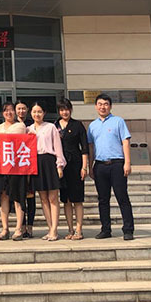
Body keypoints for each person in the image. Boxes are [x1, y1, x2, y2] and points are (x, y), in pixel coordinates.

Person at [88, 93, 135, 241]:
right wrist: (90, 166)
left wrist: (127, 162)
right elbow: (91, 147)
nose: (103, 107)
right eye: (100, 104)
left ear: (110, 106)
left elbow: (125, 142)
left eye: (106, 104)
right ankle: (105, 229)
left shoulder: (118, 121)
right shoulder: (92, 126)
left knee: (122, 197)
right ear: (96, 106)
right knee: (103, 199)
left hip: (117, 164)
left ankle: (128, 230)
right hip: (100, 165)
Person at [29, 102, 66, 241]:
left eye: (39, 111)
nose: (37, 114)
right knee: (43, 199)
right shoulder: (28, 129)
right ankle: (50, 228)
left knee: (53, 198)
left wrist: (59, 165)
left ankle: (55, 230)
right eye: (34, 111)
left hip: (50, 162)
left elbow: (58, 147)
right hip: (36, 163)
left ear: (44, 113)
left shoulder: (51, 127)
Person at [0, 101, 27, 241]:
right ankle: (5, 228)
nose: (9, 113)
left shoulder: (20, 126)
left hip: (17, 168)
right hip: (1, 168)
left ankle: (18, 228)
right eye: (6, 110)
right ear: (2, 113)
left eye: (11, 110)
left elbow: (9, 137)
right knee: (3, 196)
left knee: (18, 197)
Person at [55, 98, 89, 240]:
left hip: (75, 164)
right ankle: (70, 229)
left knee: (77, 199)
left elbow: (84, 148)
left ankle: (79, 230)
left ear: (71, 110)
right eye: (62, 110)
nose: (65, 112)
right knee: (66, 200)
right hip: (61, 167)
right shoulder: (55, 125)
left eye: (67, 109)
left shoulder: (77, 125)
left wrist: (84, 167)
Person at [15, 100, 36, 238]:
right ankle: (21, 226)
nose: (21, 111)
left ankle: (30, 226)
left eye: (23, 108)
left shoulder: (32, 125)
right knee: (19, 197)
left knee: (31, 198)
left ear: (27, 110)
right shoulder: (12, 125)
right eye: (19, 108)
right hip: (16, 167)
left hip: (30, 165)